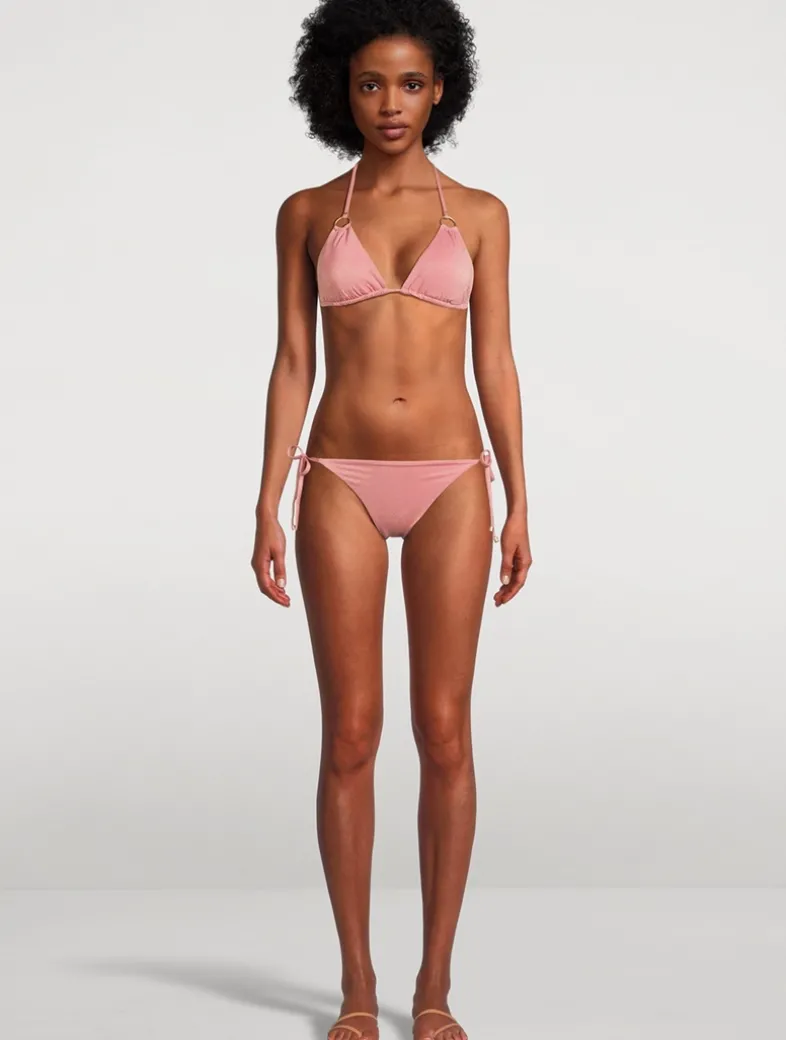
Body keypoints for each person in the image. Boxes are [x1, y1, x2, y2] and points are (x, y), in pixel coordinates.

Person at [251, 2, 532, 1038]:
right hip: (339, 477)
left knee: (445, 732)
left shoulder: (484, 214)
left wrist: (520, 495)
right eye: (371, 83)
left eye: (410, 83)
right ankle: (358, 984)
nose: (391, 103)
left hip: (454, 476)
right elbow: (294, 361)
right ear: (341, 89)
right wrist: (267, 496)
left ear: (441, 87)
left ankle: (436, 986)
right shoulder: (306, 212)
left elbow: (496, 360)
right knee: (352, 734)